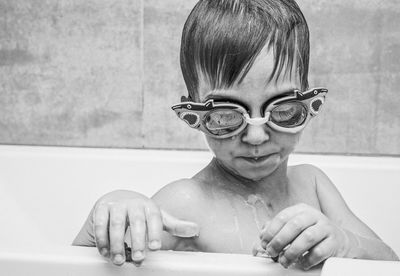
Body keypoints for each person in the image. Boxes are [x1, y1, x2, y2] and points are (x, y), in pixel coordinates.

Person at [73, 0, 399, 270]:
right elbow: (69, 269)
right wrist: (108, 219)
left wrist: (344, 242)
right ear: (195, 114)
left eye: (283, 110)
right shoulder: (187, 202)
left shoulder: (313, 185)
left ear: (307, 101)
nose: (256, 136)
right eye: (226, 116)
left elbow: (389, 264)